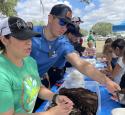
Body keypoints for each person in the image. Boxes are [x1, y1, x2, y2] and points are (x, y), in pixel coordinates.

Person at [31, 3, 120, 110]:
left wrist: (106, 81)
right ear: (50, 18)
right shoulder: (30, 35)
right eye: (62, 22)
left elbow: (81, 64)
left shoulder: (62, 42)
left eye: (67, 24)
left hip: (36, 85)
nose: (64, 28)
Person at [0, 16, 73, 115]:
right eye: (22, 37)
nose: (29, 42)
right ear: (4, 40)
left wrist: (55, 97)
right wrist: (50, 113)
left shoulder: (30, 61)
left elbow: (38, 87)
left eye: (29, 37)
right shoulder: (2, 73)